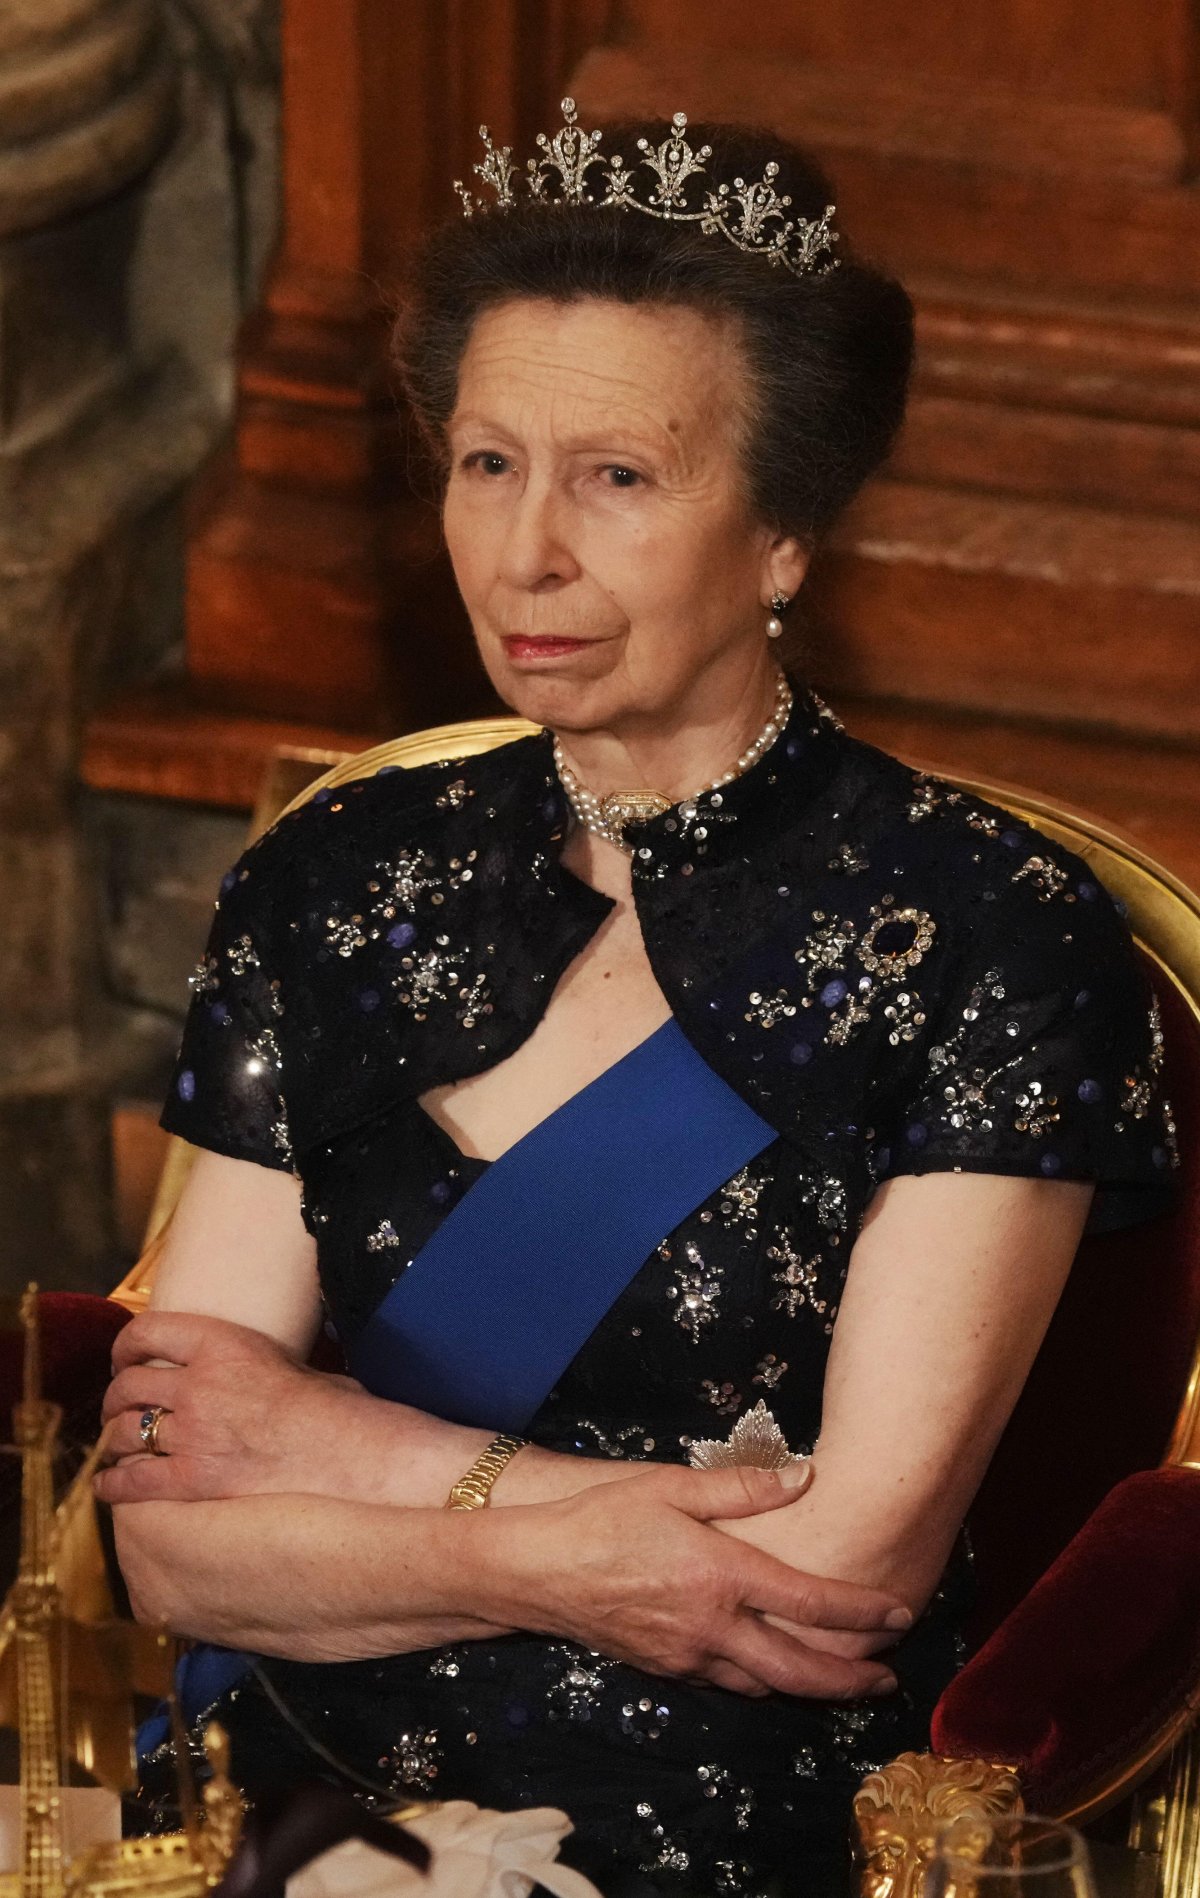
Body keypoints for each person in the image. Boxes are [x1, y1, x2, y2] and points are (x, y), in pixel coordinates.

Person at [96, 105, 1177, 1896]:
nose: (525, 556)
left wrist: (328, 1446)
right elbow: (173, 1545)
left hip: (718, 1802)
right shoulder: (335, 873)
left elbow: (841, 1571)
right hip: (281, 1767)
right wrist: (571, 1553)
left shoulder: (992, 933)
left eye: (617, 477)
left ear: (783, 533)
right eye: (486, 463)